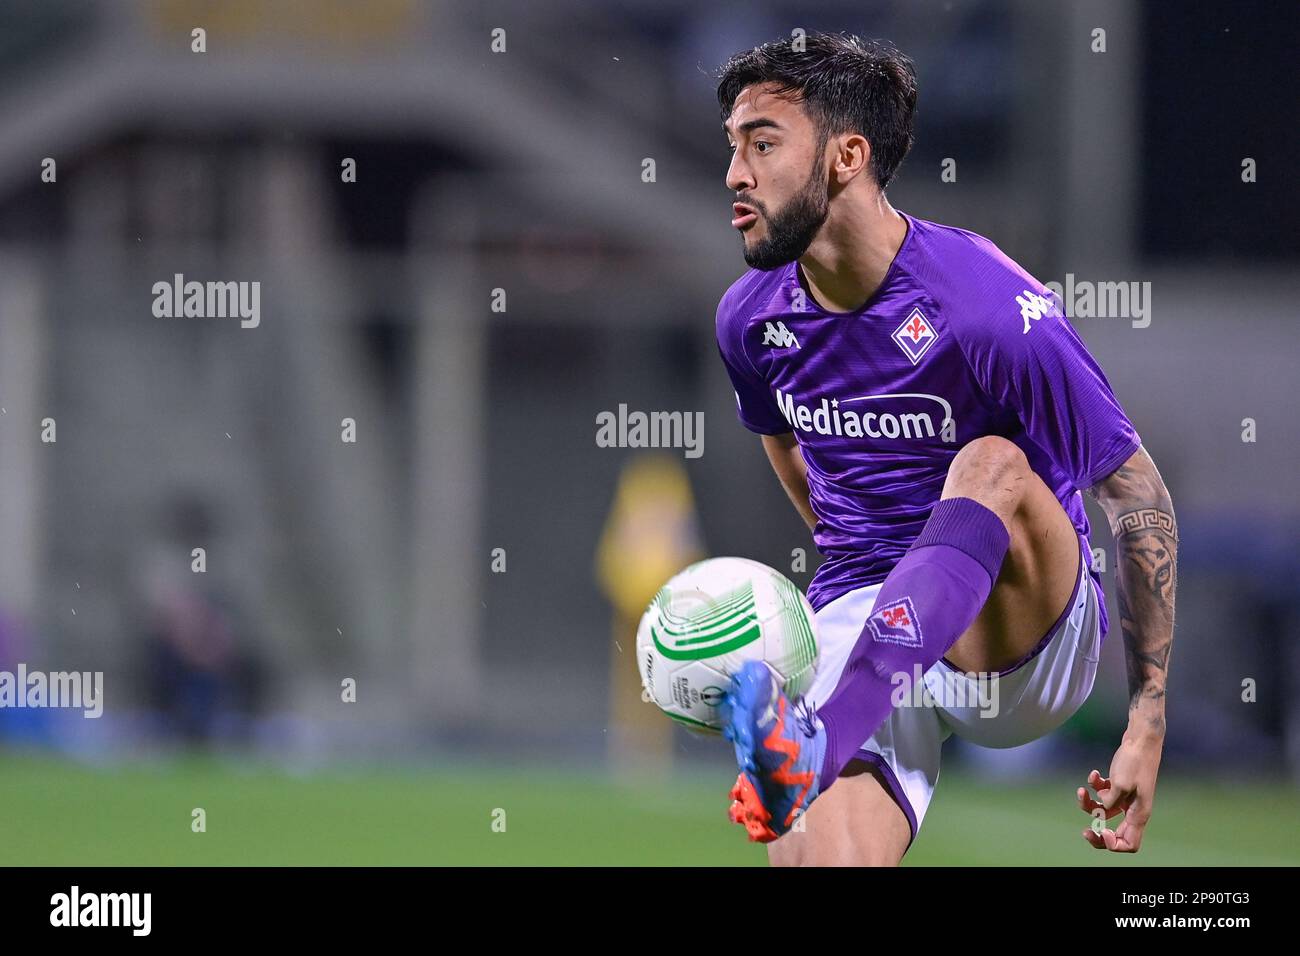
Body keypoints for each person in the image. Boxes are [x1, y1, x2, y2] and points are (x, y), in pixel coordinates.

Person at [712, 32, 1176, 865]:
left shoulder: (987, 306)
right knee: (815, 857)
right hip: (876, 616)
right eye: (734, 146)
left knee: (990, 462)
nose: (735, 175)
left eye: (763, 143)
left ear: (847, 156)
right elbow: (787, 446)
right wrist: (867, 576)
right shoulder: (749, 320)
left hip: (1024, 642)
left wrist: (1146, 719)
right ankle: (826, 738)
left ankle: (817, 738)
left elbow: (1135, 490)